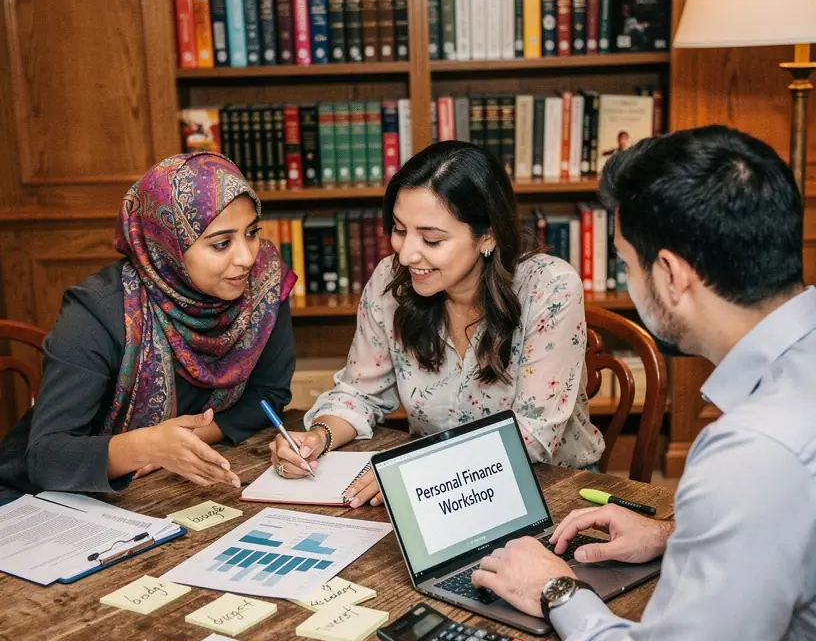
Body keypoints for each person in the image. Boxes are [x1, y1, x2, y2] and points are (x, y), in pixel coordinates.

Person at [452, 126, 814, 641]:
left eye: (624, 262)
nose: (624, 279)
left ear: (673, 275)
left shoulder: (753, 449)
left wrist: (556, 593)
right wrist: (671, 536)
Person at [270, 141, 603, 506]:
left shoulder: (549, 288)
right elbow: (359, 393)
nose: (407, 253)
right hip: (434, 498)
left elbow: (532, 437)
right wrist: (319, 437)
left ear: (488, 235)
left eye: (431, 239)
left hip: (550, 491)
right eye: (399, 230)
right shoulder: (390, 283)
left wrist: (413, 474)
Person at [0, 152, 295, 499]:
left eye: (252, 233)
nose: (246, 257)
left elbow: (268, 395)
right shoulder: (97, 312)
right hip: (49, 503)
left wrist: (186, 442)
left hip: (165, 491)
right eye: (221, 243)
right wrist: (145, 446)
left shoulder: (264, 280)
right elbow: (45, 458)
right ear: (168, 241)